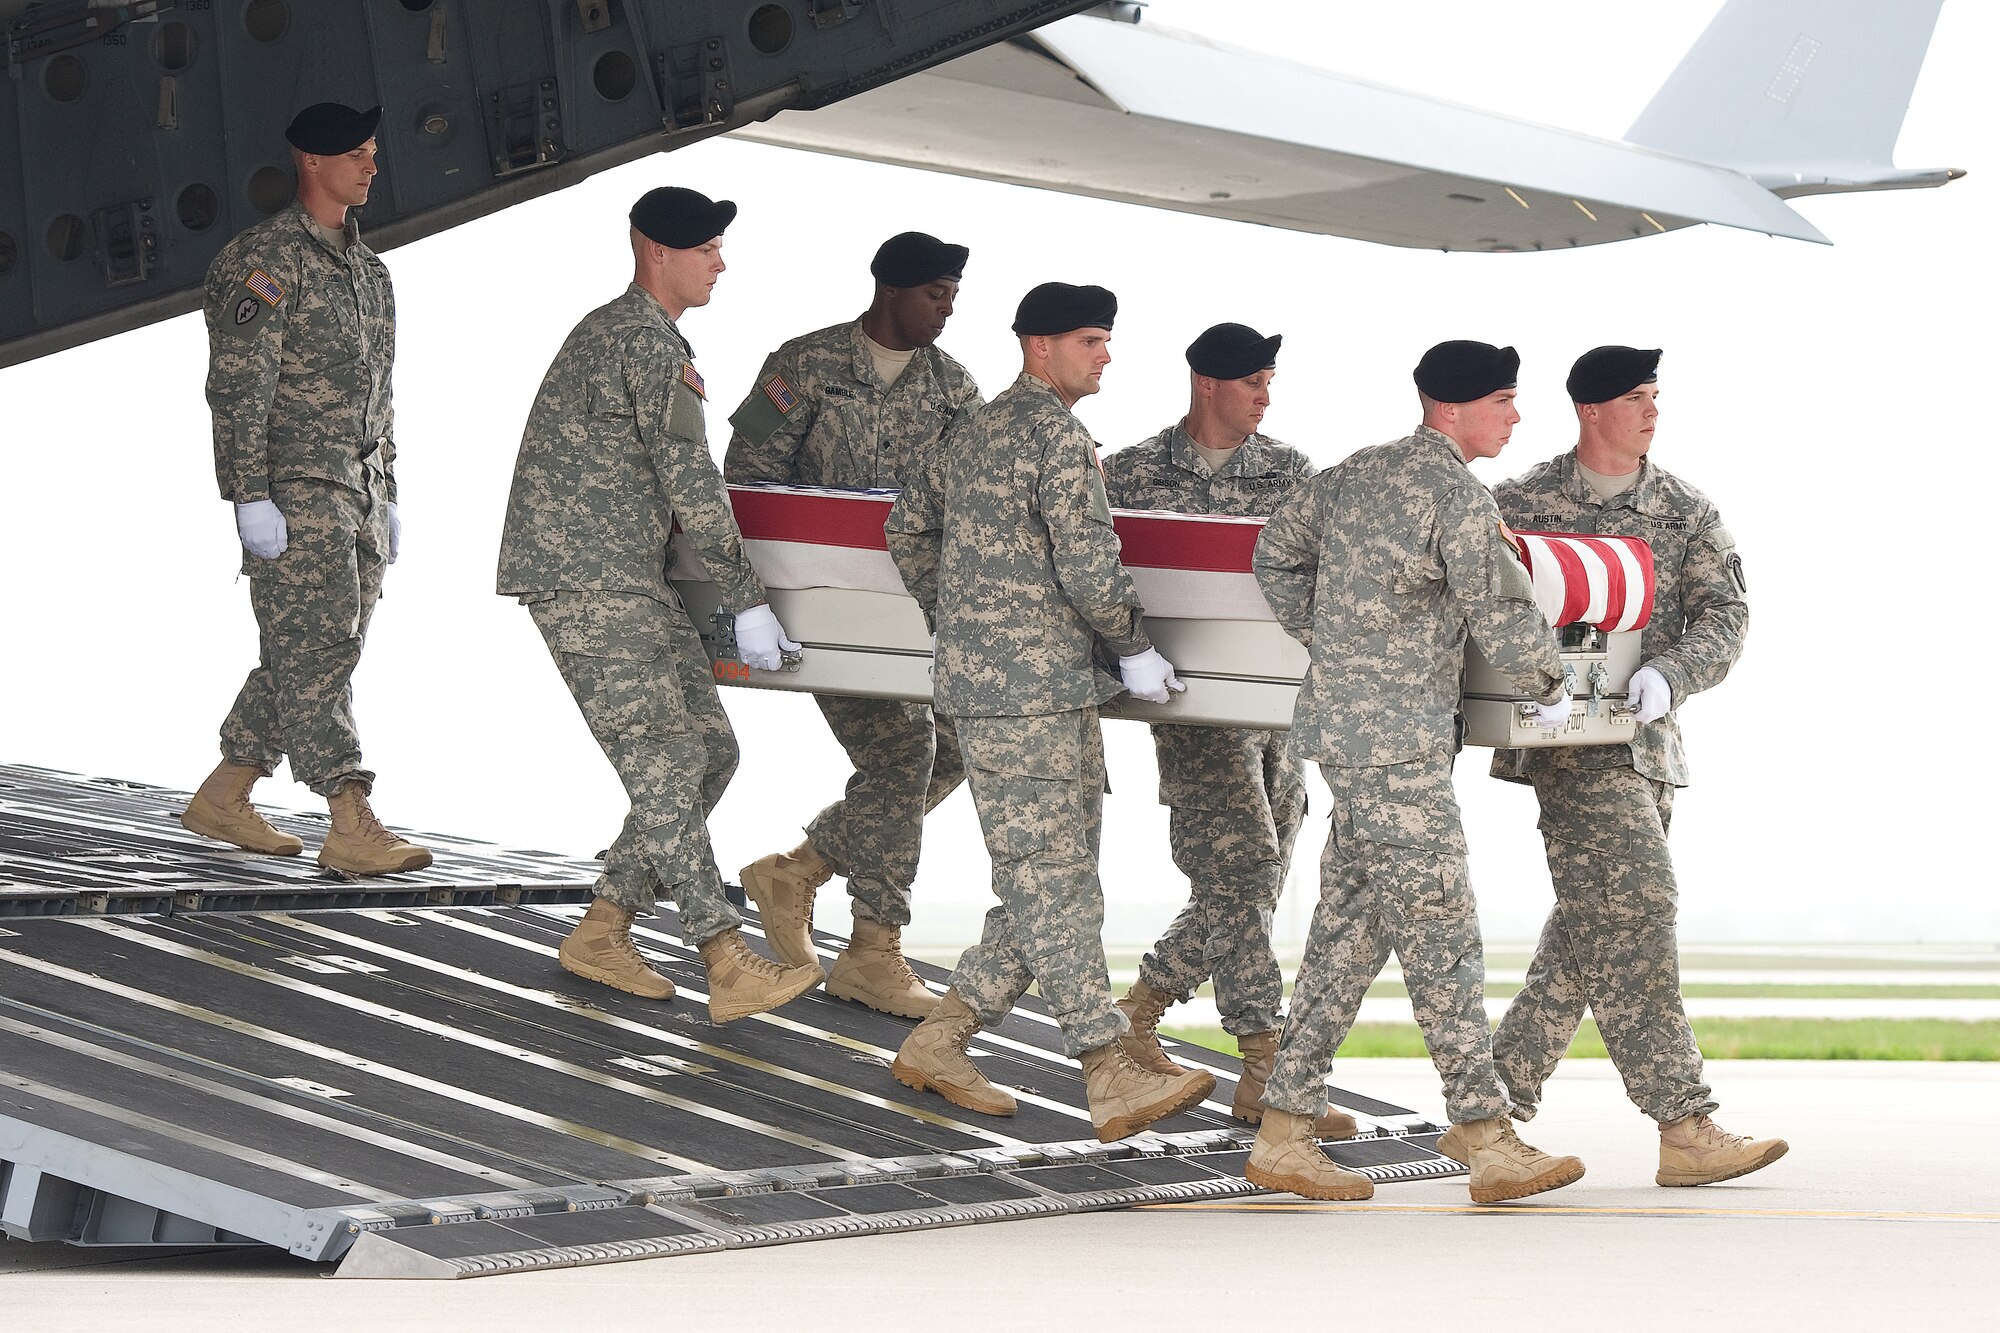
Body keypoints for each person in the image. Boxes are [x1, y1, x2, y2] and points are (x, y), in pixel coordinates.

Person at [1244, 340, 1586, 1204]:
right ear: (1455, 407)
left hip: (1348, 730)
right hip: (1396, 746)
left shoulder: (1353, 474)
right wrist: (1554, 682)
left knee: (1348, 934)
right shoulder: (1455, 494)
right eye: (1505, 400)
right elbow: (1504, 616)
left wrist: (1333, 641)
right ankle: (1485, 1132)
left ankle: (1285, 1128)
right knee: (1441, 927)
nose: (1515, 416)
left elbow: (1274, 555)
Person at [883, 282, 1215, 1142]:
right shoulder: (1054, 437)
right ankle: (1105, 1067)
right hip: (1034, 695)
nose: (1105, 355)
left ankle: (941, 1039)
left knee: (1046, 881)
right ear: (1040, 346)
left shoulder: (966, 434)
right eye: (1090, 340)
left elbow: (906, 531)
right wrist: (1133, 643)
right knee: (1055, 879)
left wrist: (961, 619)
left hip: (1018, 690)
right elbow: (1090, 564)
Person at [496, 186, 820, 1023]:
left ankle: (604, 927)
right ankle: (722, 954)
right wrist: (748, 601)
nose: (721, 262)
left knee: (710, 751)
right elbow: (692, 482)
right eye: (707, 247)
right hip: (589, 578)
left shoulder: (640, 338)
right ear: (656, 252)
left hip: (627, 577)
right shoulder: (641, 344)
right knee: (669, 761)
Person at [1474, 345, 1784, 1186]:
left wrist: (1671, 673)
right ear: (1591, 410)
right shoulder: (1521, 501)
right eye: (1637, 397)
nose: (1652, 410)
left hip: (1651, 745)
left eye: (1656, 395)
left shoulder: (1684, 507)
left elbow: (1727, 615)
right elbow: (1478, 606)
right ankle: (1683, 1120)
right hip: (1567, 746)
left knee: (1589, 932)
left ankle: (1489, 1110)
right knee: (1641, 905)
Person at [1099, 323, 1354, 1136]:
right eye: (1252, 382)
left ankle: (1140, 1010)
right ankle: (1262, 1065)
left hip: (1276, 704)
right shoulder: (1131, 474)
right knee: (1242, 864)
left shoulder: (1290, 472)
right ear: (1206, 383)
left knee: (1252, 877)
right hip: (1190, 704)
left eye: (1270, 381)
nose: (1265, 396)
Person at [725, 232, 983, 1019]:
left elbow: (973, 496)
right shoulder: (804, 365)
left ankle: (799, 869)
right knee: (907, 749)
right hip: (817, 611)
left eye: (952, 295)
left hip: (908, 616)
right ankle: (873, 947)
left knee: (955, 745)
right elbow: (749, 479)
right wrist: (752, 599)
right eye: (936, 293)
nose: (947, 308)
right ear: (890, 290)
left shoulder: (953, 389)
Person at [182, 102, 430, 877]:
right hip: (295, 489)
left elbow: (381, 397)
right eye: (357, 154)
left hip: (356, 491)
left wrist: (389, 489)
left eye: (372, 152)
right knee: (317, 645)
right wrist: (247, 495)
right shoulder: (261, 262)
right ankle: (349, 816)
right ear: (311, 163)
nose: (371, 166)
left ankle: (225, 793)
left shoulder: (370, 272)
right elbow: (238, 389)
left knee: (321, 651)